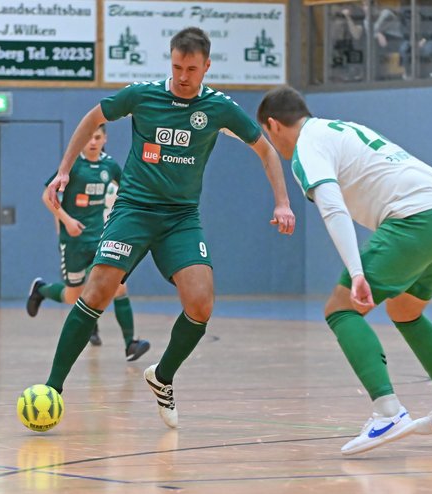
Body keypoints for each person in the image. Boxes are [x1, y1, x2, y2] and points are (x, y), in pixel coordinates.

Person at [40, 27, 295, 428]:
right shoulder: (143, 95)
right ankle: (52, 388)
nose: (182, 76)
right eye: (177, 67)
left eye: (191, 69)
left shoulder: (218, 108)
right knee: (98, 289)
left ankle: (162, 376)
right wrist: (64, 170)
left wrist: (282, 201)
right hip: (134, 210)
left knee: (201, 303)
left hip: (180, 218)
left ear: (206, 66)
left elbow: (266, 150)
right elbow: (94, 117)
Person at [257, 86, 432, 456]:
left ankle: (388, 412)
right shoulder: (342, 128)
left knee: (341, 309)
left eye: (267, 134)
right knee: (405, 311)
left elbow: (333, 209)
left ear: (273, 125)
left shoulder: (306, 149)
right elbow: (402, 172)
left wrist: (356, 271)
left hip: (417, 219)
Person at [26, 124, 149, 357]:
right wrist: (67, 221)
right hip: (73, 240)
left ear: (105, 139)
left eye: (97, 137)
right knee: (74, 295)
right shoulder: (72, 165)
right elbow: (47, 196)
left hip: (99, 238)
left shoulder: (109, 166)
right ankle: (41, 290)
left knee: (119, 286)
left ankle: (131, 344)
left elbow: (128, 192)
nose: (93, 142)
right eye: (89, 137)